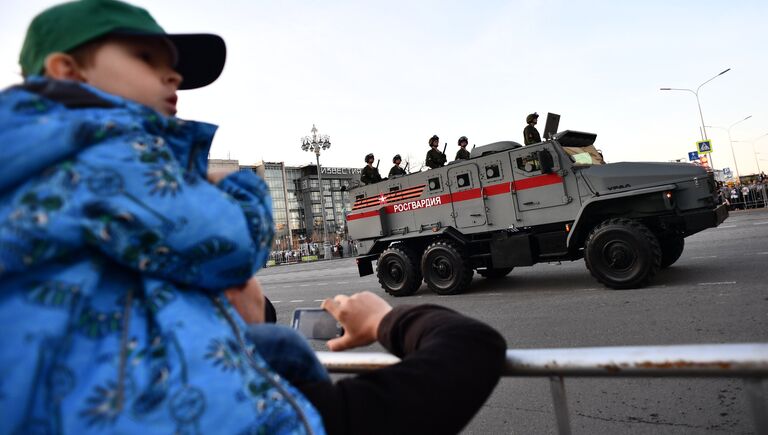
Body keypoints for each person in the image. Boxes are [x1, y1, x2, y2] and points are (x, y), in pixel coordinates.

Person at [1, 1, 507, 434]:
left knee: (276, 344)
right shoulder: (111, 153)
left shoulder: (29, 163)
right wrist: (238, 189)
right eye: (146, 57)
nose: (173, 75)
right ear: (67, 71)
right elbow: (231, 246)